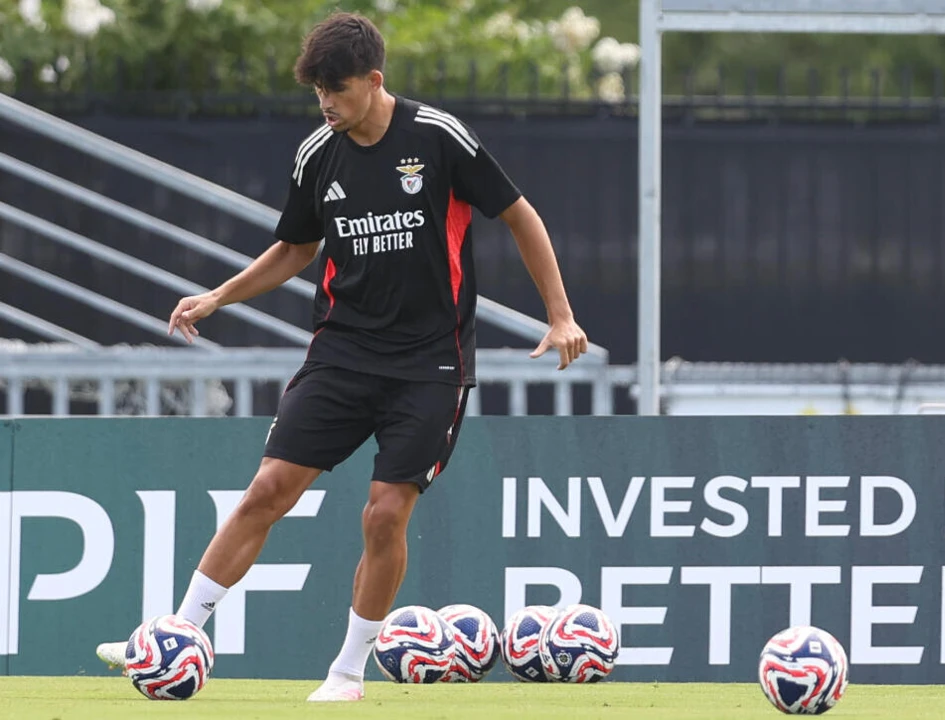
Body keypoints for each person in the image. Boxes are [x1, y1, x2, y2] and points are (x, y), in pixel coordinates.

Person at [94, 11, 588, 702]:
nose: (326, 103)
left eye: (338, 89)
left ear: (374, 81)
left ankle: (348, 671)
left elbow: (518, 214)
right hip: (342, 354)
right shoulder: (316, 154)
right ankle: (177, 634)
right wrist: (218, 297)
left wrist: (560, 314)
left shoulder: (437, 138)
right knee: (268, 489)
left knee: (384, 513)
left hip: (430, 363)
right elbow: (297, 248)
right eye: (317, 91)